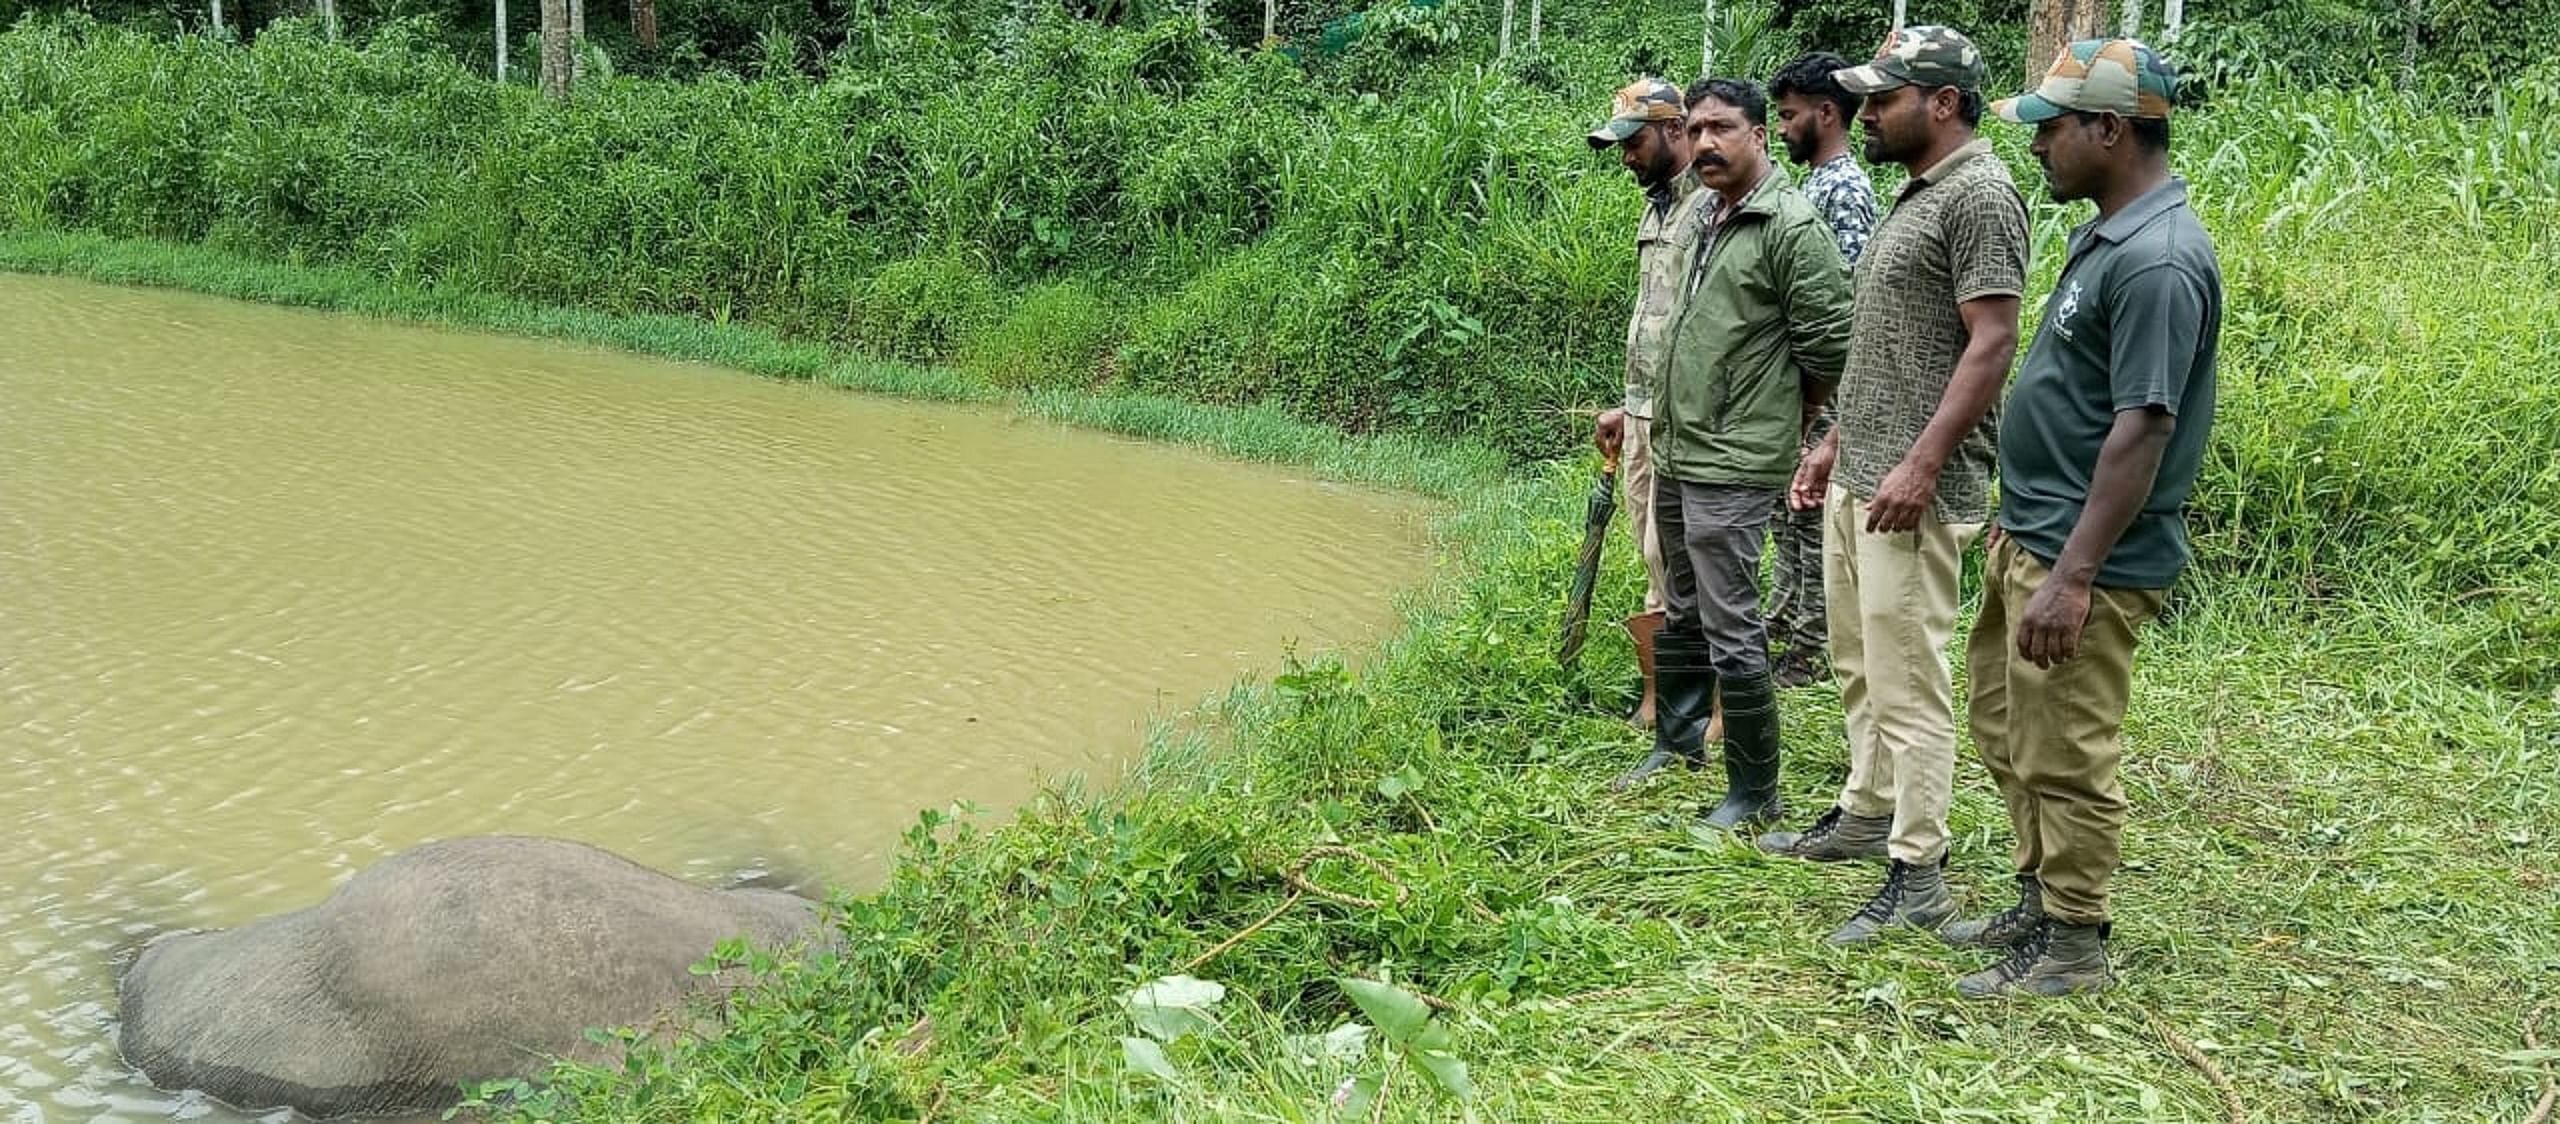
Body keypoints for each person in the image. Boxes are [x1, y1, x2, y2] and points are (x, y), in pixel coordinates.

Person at [1948, 38, 2219, 998]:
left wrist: (2071, 575)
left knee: (2065, 748)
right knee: (2003, 723)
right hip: (2033, 534)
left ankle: (2074, 940)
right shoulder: (2109, 234)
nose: (2038, 146)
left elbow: (2142, 429)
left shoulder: (2159, 262)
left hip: (2082, 561)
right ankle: (2037, 893)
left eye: (2053, 129)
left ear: (2110, 128)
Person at [1756, 26, 2032, 949]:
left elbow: (1991, 343)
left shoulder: (1982, 196)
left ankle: (1919, 868)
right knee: (1860, 666)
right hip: (1862, 477)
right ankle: (1867, 809)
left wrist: (1919, 462)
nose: (1867, 114)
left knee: (1910, 682)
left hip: (1918, 489)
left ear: (1943, 102)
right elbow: (1889, 347)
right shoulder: (1918, 194)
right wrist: (1837, 446)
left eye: (1885, 99)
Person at [1645, 77, 1854, 830]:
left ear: (1760, 135)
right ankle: (1676, 741)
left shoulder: (1790, 227)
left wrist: (1784, 414)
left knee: (1732, 618)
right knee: (1682, 602)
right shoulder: (1704, 212)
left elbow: (1831, 346)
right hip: (1678, 442)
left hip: (1734, 457)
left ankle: (1753, 790)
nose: (1705, 143)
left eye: (1722, 128)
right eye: (1695, 130)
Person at [1586, 79, 1728, 788]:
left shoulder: (1713, 208)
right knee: (1652, 560)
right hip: (1644, 413)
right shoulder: (1656, 209)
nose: (1626, 157)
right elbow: (1656, 321)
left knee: (1695, 566)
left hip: (1693, 421)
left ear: (1676, 131)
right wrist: (1626, 403)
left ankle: (1717, 706)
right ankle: (1664, 700)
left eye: (1635, 141)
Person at [1763, 51, 1881, 689]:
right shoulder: (1813, 184)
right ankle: (1783, 618)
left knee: (1809, 514)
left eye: (1789, 115)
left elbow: (1846, 303)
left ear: (1827, 113)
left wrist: (1829, 400)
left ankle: (1810, 643)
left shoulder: (1843, 191)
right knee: (1788, 511)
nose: (1782, 128)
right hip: (1802, 387)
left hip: (1828, 387)